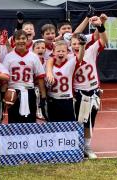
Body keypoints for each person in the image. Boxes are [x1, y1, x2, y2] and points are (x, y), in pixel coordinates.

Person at [73, 16, 107, 159]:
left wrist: (101, 26)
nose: (76, 45)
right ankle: (75, 145)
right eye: (73, 43)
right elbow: (74, 33)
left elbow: (103, 41)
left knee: (90, 120)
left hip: (92, 90)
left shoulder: (91, 50)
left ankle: (87, 146)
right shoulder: (67, 55)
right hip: (77, 92)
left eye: (79, 42)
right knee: (77, 120)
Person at [3, 30, 46, 123]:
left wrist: (43, 96)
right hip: (13, 91)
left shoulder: (33, 56)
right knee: (14, 121)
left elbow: (40, 76)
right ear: (14, 41)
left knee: (30, 121)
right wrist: (3, 92)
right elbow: (4, 78)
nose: (21, 41)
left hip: (29, 91)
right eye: (18, 39)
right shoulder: (8, 57)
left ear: (27, 40)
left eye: (23, 38)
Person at [45, 38, 85, 122]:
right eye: (58, 51)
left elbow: (80, 57)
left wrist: (82, 45)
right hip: (52, 99)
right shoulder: (48, 63)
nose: (61, 53)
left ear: (67, 52)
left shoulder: (71, 62)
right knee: (53, 126)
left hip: (67, 99)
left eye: (63, 51)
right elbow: (49, 61)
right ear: (53, 52)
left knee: (69, 126)